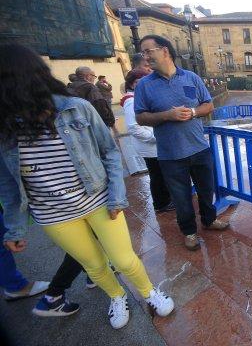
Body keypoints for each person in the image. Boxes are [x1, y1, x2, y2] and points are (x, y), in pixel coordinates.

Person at [0, 44, 174, 329]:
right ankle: (117, 296)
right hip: (53, 214)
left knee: (124, 259)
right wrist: (15, 227)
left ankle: (149, 292)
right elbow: (8, 183)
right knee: (94, 265)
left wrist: (117, 196)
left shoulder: (75, 108)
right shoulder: (5, 126)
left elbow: (109, 152)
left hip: (98, 200)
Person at [133, 35, 229, 251]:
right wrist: (167, 115)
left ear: (165, 50)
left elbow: (208, 105)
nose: (145, 57)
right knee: (181, 197)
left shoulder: (191, 77)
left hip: (199, 148)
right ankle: (189, 232)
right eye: (143, 53)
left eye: (149, 51)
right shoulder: (144, 86)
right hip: (170, 154)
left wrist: (193, 112)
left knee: (206, 190)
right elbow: (140, 117)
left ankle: (209, 220)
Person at [121, 67, 173, 214]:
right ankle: (161, 203)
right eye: (139, 81)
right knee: (157, 175)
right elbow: (133, 128)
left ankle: (164, 200)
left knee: (159, 174)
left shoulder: (137, 97)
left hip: (151, 145)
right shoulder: (131, 101)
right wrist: (155, 138)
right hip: (150, 146)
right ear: (132, 84)